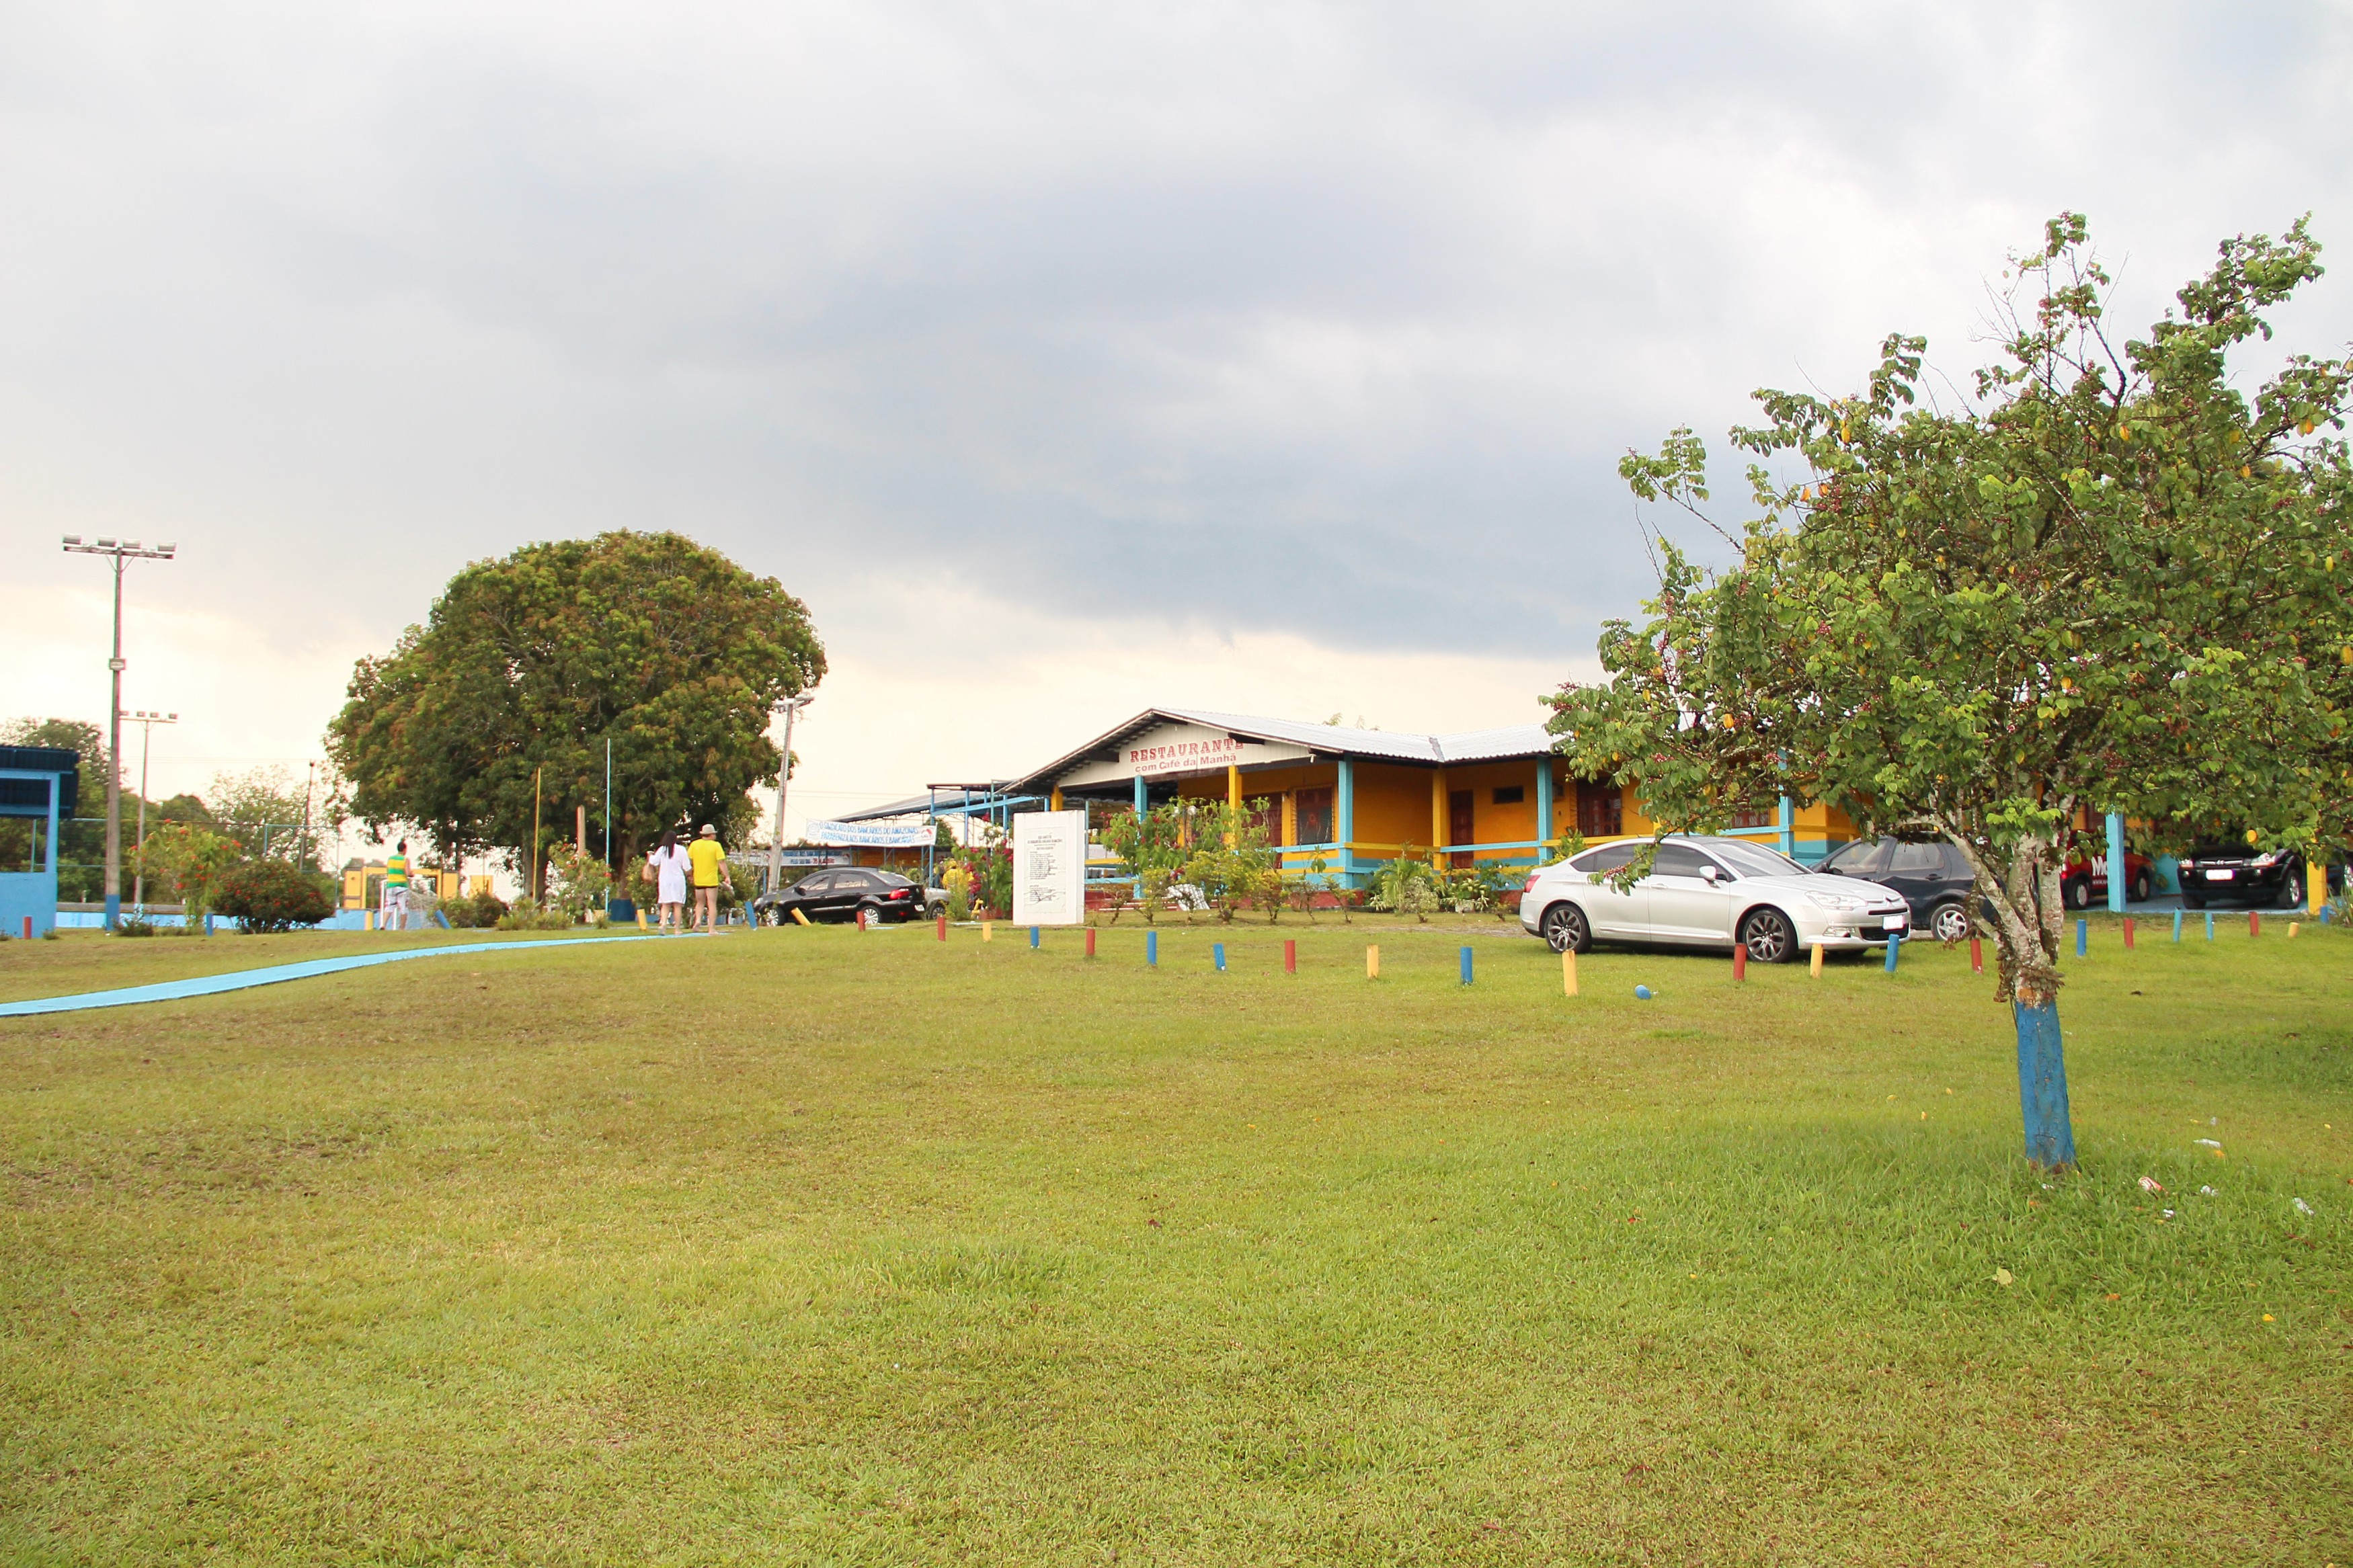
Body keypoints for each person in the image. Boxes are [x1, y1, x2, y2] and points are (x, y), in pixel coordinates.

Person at [645, 831, 690, 932]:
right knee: (678, 905)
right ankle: (677, 929)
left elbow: (654, 861)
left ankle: (663, 923)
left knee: (665, 904)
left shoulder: (662, 849)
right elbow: (687, 867)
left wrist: (650, 855)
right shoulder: (681, 850)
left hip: (665, 879)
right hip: (678, 880)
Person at [688, 824, 728, 932]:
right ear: (711, 835)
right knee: (712, 904)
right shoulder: (716, 846)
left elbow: (690, 862)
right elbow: (721, 862)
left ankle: (698, 920)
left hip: (698, 879)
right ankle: (711, 928)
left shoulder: (694, 845)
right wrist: (726, 876)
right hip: (711, 880)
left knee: (700, 902)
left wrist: (690, 875)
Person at [381, 840, 410, 932]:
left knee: (389, 906)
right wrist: (412, 874)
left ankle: (383, 925)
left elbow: (388, 871)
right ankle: (402, 928)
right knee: (403, 908)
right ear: (405, 850)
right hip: (402, 886)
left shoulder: (390, 859)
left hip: (391, 885)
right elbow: (408, 872)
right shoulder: (405, 859)